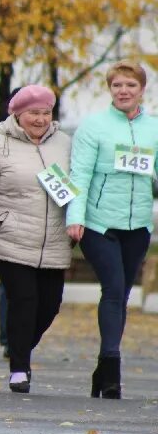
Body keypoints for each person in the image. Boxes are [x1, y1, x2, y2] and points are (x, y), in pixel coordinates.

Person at [0, 85, 71, 393]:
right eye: (33, 113)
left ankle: (19, 345)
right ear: (17, 114)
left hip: (53, 238)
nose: (40, 120)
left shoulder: (64, 143)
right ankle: (19, 369)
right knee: (23, 299)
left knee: (49, 305)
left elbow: (78, 183)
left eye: (45, 113)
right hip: (8, 237)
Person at [66, 60, 158, 399]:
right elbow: (80, 175)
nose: (123, 91)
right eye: (117, 85)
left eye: (130, 86)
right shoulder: (94, 126)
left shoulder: (153, 129)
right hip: (98, 223)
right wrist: (74, 218)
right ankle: (111, 368)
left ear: (141, 90)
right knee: (115, 289)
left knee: (122, 297)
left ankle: (103, 369)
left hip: (138, 226)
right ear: (110, 89)